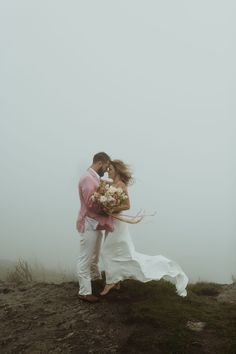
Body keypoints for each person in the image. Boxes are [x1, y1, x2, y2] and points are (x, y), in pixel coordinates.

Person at [100, 160, 188, 297]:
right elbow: (103, 189)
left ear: (116, 170)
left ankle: (110, 282)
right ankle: (116, 280)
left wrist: (111, 208)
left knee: (107, 251)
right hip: (112, 222)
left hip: (118, 223)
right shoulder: (112, 184)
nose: (108, 171)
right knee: (117, 253)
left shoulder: (121, 185)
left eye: (110, 169)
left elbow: (127, 205)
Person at [76, 152, 113, 302]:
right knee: (85, 258)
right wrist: (108, 207)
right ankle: (84, 291)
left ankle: (96, 280)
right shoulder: (87, 178)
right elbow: (91, 203)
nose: (105, 170)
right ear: (99, 162)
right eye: (105, 166)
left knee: (94, 256)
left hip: (96, 224)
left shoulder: (94, 178)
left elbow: (100, 191)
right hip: (89, 222)